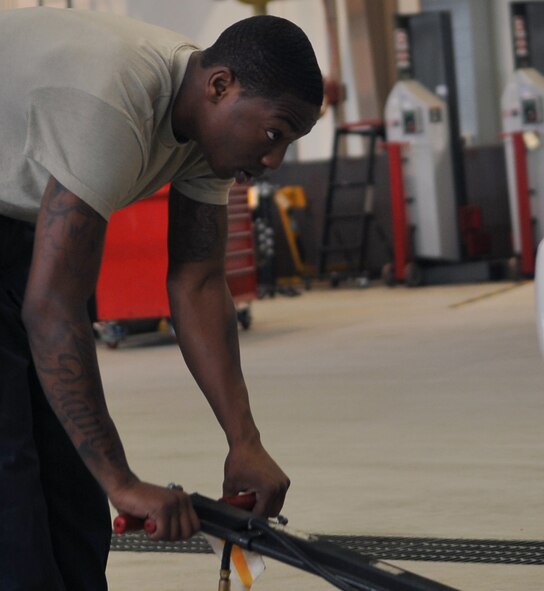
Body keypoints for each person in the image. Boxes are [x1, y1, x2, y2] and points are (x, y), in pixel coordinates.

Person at [0, 7, 323, 590]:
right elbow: (50, 308)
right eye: (274, 134)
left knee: (73, 490)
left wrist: (243, 441)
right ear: (221, 87)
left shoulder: (207, 120)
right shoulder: (115, 102)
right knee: (11, 491)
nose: (273, 161)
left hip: (15, 219)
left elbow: (198, 280)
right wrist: (124, 482)